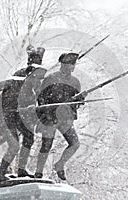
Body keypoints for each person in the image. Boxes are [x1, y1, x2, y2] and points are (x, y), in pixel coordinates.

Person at [0, 46, 47, 182]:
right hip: (12, 112)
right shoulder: (20, 74)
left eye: (39, 61)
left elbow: (39, 94)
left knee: (28, 137)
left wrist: (41, 108)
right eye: (35, 61)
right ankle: (1, 173)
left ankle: (21, 169)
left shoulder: (37, 76)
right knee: (14, 143)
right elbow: (6, 93)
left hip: (24, 114)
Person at [35, 52, 86, 180]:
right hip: (50, 117)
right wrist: (47, 112)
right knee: (46, 144)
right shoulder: (51, 78)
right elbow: (40, 98)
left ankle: (60, 164)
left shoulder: (75, 82)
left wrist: (80, 99)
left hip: (65, 119)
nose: (68, 68)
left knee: (75, 143)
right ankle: (38, 172)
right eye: (65, 65)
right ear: (61, 65)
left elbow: (76, 104)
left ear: (73, 67)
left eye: (71, 65)